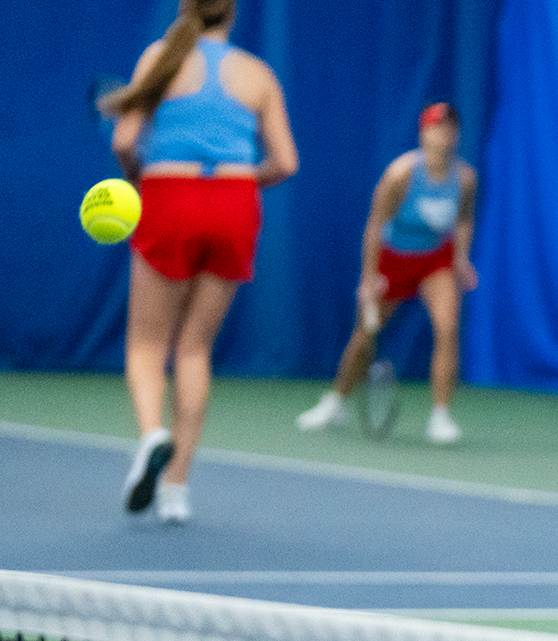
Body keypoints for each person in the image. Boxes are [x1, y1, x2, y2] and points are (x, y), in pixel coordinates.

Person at [102, 0, 298, 523]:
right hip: (235, 206)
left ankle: (151, 436)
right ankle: (176, 490)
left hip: (169, 196)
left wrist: (141, 179)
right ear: (231, 13)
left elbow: (124, 140)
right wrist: (234, 183)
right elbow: (285, 162)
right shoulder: (258, 73)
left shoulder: (159, 58)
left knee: (147, 344)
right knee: (194, 349)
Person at [296, 103, 479, 444]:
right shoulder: (401, 175)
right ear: (423, 134)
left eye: (451, 127)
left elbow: (464, 220)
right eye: (438, 127)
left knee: (448, 328)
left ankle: (440, 416)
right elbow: (375, 225)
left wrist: (460, 259)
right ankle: (337, 401)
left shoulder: (465, 179)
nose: (445, 133)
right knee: (365, 337)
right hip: (393, 259)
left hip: (434, 261)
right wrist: (368, 278)